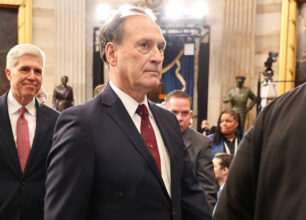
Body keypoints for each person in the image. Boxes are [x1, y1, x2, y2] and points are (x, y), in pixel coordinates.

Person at [45, 6, 211, 220]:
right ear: (112, 54)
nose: (158, 57)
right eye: (144, 45)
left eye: (160, 47)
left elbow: (190, 198)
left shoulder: (168, 120)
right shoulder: (81, 123)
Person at [0, 44, 59, 220]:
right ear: (8, 73)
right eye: (25, 69)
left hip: (39, 214)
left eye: (38, 71)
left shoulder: (57, 121)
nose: (32, 77)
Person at [213, 84, 306, 220]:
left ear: (237, 124)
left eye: (229, 121)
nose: (225, 124)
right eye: (222, 121)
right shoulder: (272, 117)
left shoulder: (275, 114)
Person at [164, 90, 218, 211]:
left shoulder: (201, 143)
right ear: (163, 112)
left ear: (191, 115)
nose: (179, 118)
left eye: (184, 113)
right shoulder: (153, 136)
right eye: (174, 112)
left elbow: (208, 189)